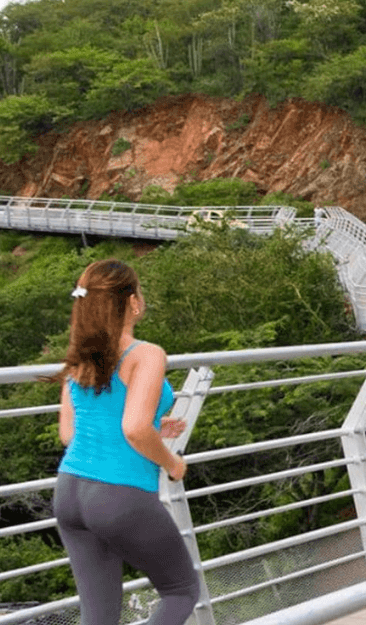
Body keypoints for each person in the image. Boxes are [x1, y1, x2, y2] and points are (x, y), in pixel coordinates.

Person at [50, 259, 199, 625]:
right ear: (132, 302)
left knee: (98, 617)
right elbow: (133, 429)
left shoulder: (80, 356)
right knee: (181, 591)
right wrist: (172, 464)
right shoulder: (146, 354)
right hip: (119, 494)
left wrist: (154, 425)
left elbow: (70, 433)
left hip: (70, 492)